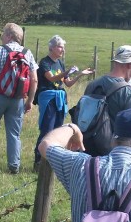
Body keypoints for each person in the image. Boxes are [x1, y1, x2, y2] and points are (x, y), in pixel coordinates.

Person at [0, 23, 38, 174]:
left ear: (9, 36)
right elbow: (34, 79)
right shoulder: (27, 53)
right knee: (14, 133)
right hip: (18, 99)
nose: (2, 37)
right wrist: (29, 101)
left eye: (3, 34)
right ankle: (13, 165)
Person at [32, 35, 93, 169]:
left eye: (63, 47)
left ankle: (52, 162)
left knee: (58, 130)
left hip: (60, 99)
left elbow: (68, 84)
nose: (62, 50)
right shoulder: (44, 63)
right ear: (52, 47)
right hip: (48, 99)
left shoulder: (60, 63)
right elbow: (52, 78)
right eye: (60, 47)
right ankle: (38, 161)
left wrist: (80, 74)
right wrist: (67, 72)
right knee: (47, 129)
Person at [80, 44, 131, 132]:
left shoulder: (92, 85)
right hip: (114, 145)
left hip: (87, 141)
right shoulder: (128, 92)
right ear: (129, 64)